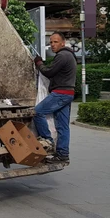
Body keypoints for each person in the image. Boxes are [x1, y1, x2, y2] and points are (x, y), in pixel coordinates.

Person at [33, 32, 77, 163]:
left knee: (38, 112)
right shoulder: (69, 55)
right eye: (51, 42)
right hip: (68, 93)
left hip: (61, 93)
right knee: (63, 126)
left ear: (63, 42)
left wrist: (39, 63)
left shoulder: (62, 55)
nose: (52, 45)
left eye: (55, 42)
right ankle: (63, 154)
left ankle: (47, 142)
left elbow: (48, 72)